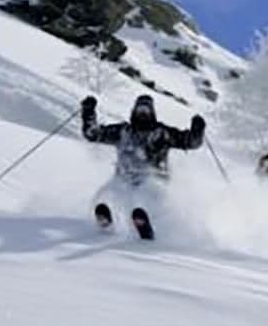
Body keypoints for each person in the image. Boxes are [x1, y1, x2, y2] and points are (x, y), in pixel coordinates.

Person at [80, 94, 205, 239]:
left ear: (152, 113)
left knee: (148, 197)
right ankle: (108, 219)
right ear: (134, 112)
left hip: (155, 182)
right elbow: (93, 134)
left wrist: (198, 130)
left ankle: (146, 224)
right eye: (140, 111)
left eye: (146, 111)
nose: (143, 114)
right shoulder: (123, 132)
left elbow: (190, 142)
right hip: (124, 180)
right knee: (112, 195)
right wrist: (88, 112)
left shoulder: (162, 133)